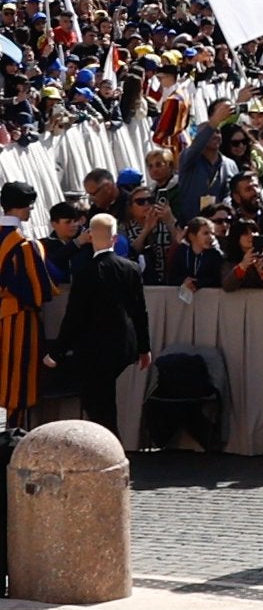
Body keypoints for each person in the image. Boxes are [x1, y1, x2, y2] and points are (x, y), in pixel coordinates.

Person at [50, 213, 150, 434]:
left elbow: (74, 316)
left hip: (93, 348)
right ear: (115, 238)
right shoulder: (131, 269)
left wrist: (57, 351)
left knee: (98, 404)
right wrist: (144, 347)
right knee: (105, 399)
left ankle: (107, 449)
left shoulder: (85, 271)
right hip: (122, 346)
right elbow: (139, 311)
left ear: (90, 236)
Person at [0, 181, 48, 422]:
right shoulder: (25, 246)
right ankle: (11, 438)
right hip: (15, 318)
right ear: (26, 208)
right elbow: (37, 292)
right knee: (15, 380)